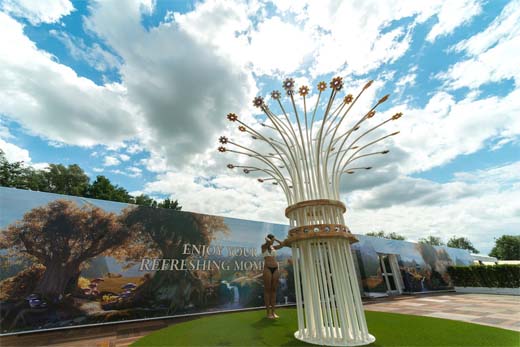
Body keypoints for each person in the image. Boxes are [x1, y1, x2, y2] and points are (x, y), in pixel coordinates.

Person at [262, 234, 286, 319]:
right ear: (268, 239)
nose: (272, 241)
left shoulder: (273, 247)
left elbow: (282, 244)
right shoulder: (264, 246)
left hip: (275, 268)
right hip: (267, 268)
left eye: (273, 240)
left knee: (274, 290)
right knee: (267, 290)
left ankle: (273, 312)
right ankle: (268, 313)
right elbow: (268, 242)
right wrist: (268, 239)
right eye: (272, 239)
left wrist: (276, 239)